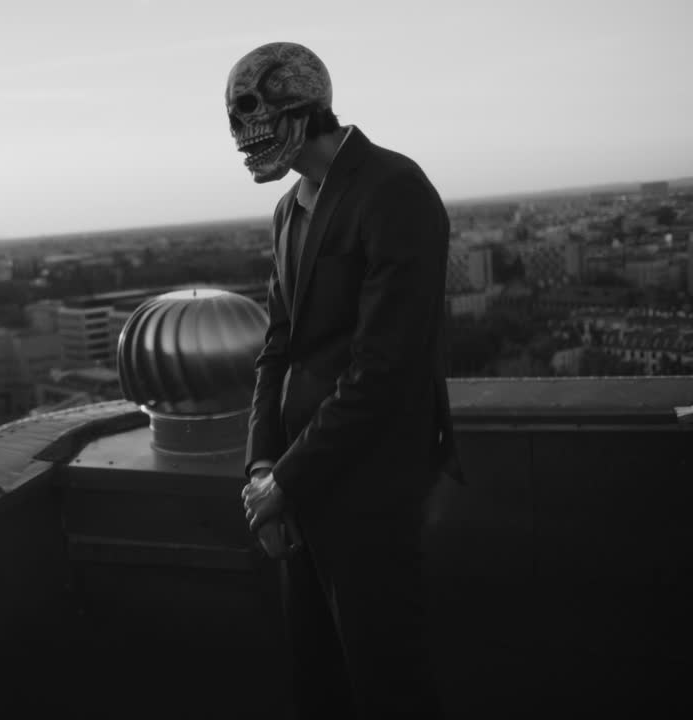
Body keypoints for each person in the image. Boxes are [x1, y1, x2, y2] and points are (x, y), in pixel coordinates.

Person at [229, 42, 461, 719]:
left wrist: (285, 483)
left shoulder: (394, 189)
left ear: (301, 104)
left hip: (371, 489)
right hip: (298, 485)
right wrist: (260, 464)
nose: (241, 133)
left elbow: (385, 367)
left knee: (388, 682)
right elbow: (277, 347)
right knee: (316, 681)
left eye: (252, 111)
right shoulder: (286, 211)